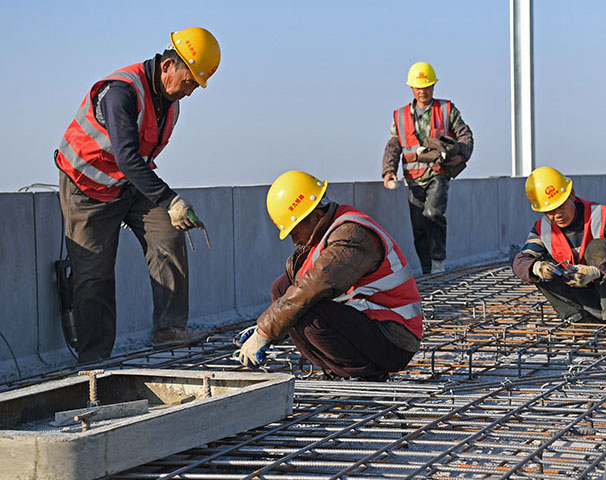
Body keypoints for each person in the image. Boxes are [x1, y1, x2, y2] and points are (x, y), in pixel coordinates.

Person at [55, 28, 221, 363]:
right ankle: (93, 362)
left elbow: (136, 163)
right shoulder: (122, 93)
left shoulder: (169, 103)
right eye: (189, 82)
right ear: (167, 67)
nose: (190, 92)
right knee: (94, 276)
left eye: (195, 87)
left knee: (169, 231)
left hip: (128, 185)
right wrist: (171, 199)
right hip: (88, 190)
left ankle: (169, 329)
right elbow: (128, 156)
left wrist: (166, 205)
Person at [234, 171, 423, 381]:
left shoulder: (352, 235)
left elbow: (312, 288)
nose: (294, 241)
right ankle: (337, 371)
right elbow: (292, 291)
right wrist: (272, 327)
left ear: (314, 216)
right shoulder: (326, 233)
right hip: (372, 324)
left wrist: (265, 331)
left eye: (295, 230)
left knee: (310, 311)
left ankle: (365, 375)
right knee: (281, 289)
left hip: (395, 338)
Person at [511, 167, 606, 324]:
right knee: (540, 265)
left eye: (561, 206)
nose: (557, 215)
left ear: (572, 195)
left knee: (598, 246)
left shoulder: (600, 215)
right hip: (588, 301)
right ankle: (578, 318)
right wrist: (537, 268)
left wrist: (597, 271)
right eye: (550, 211)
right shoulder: (543, 229)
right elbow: (520, 261)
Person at [381, 61, 474, 274]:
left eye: (427, 86)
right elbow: (394, 145)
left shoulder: (446, 109)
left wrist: (461, 156)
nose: (423, 91)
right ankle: (427, 269)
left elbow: (465, 135)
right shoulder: (401, 116)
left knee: (433, 213)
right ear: (412, 89)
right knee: (419, 226)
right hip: (412, 178)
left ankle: (438, 261)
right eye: (418, 87)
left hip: (437, 174)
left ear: (433, 86)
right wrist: (389, 171)